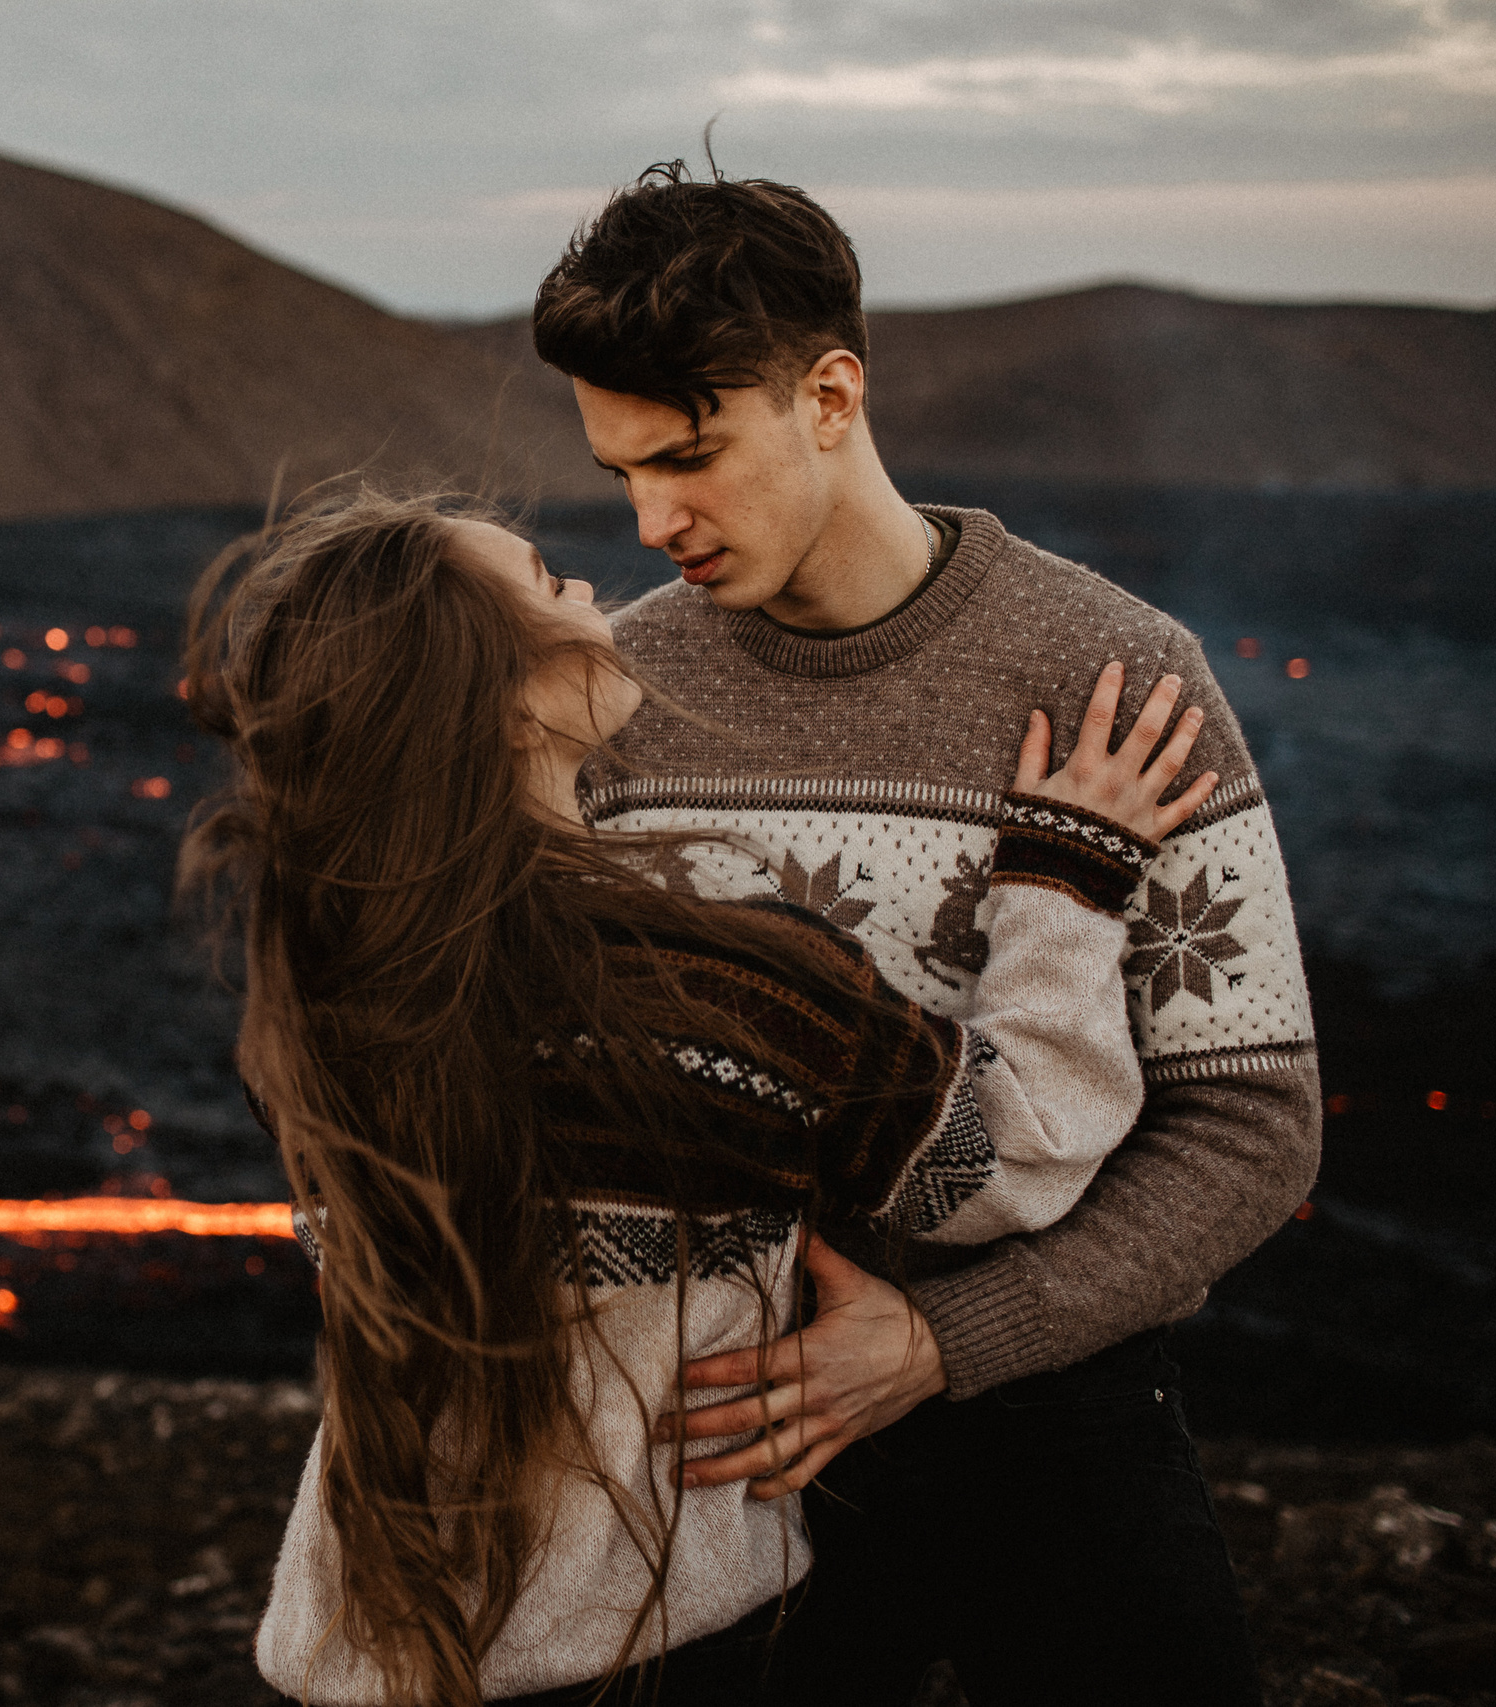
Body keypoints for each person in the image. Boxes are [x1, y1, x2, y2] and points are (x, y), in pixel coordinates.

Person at [181, 488, 1214, 1706]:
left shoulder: (326, 1002)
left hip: (355, 1644)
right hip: (646, 1648)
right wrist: (1064, 875)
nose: (602, 594)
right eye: (552, 584)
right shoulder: (724, 991)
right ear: (503, 701)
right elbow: (1014, 1160)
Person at [530, 165, 1321, 1704]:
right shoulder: (612, 701)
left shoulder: (1111, 672)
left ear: (829, 394)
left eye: (689, 455)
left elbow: (1254, 1120)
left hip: (1063, 1422)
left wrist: (948, 1338)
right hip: (722, 1449)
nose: (651, 518)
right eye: (621, 470)